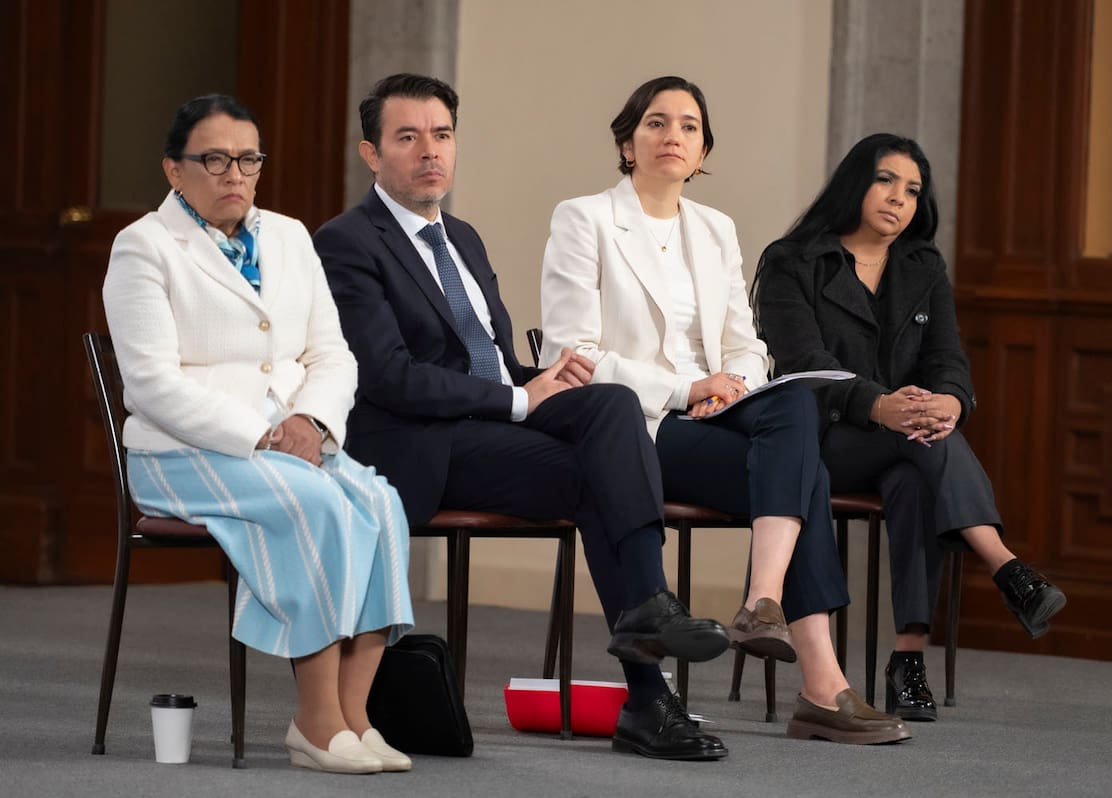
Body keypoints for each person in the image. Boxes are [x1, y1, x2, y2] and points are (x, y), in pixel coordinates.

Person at [312, 73, 731, 762]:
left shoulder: (465, 240)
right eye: (408, 137)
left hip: (489, 425)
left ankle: (648, 625)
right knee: (599, 473)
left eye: (442, 135)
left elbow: (487, 357)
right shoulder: (347, 242)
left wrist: (534, 379)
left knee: (611, 403)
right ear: (370, 152)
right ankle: (649, 687)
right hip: (422, 446)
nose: (430, 152)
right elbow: (391, 377)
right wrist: (516, 399)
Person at [539, 76, 910, 746]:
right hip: (640, 425)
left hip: (716, 411)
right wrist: (686, 390)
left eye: (688, 125)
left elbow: (747, 344)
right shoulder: (584, 217)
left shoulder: (715, 229)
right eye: (656, 123)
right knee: (809, 476)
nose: (672, 136)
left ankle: (762, 600)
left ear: (704, 146)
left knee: (792, 401)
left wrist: (732, 385)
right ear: (628, 141)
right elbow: (575, 355)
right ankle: (821, 686)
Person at [102, 95, 416, 774]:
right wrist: (265, 433)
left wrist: (310, 420)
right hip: (182, 451)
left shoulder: (289, 235)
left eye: (247, 159)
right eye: (214, 159)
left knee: (383, 505)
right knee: (321, 505)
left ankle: (356, 718)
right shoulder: (143, 247)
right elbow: (152, 385)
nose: (234, 174)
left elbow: (332, 354)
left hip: (294, 440)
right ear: (174, 170)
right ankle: (314, 721)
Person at [753, 132, 1067, 721]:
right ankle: (1005, 566)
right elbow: (803, 368)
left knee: (915, 473)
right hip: (819, 441)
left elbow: (947, 357)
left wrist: (949, 400)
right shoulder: (793, 262)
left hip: (905, 440)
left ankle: (909, 658)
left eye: (913, 190)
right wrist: (880, 406)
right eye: (886, 180)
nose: (900, 198)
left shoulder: (922, 266)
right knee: (915, 439)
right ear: (855, 183)